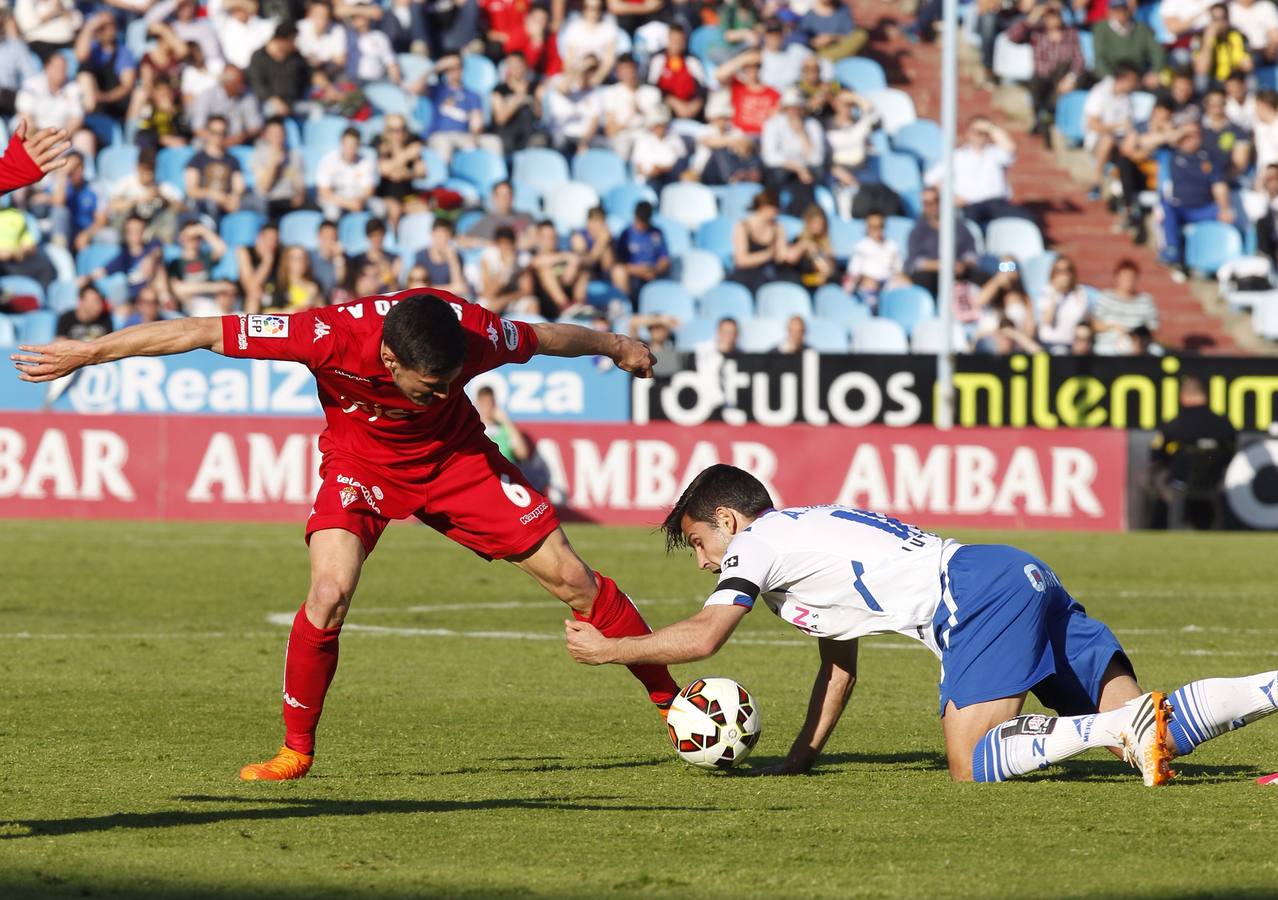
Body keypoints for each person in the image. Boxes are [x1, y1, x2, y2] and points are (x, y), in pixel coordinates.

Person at [13, 289, 682, 781]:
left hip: (456, 462)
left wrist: (618, 345)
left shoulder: (474, 334)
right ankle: (295, 751)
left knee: (572, 578)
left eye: (447, 384)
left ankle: (675, 708)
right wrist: (92, 351)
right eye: (426, 388)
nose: (434, 392)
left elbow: (546, 336)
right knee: (330, 592)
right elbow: (200, 330)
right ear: (387, 356)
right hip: (360, 466)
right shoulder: (327, 335)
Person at [564, 463, 1278, 785]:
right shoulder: (802, 546)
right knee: (1147, 738)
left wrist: (607, 651)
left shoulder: (761, 541)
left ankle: (1108, 728)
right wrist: (799, 759)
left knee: (971, 764)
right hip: (1014, 574)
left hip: (975, 595)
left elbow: (705, 636)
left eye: (697, 542)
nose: (701, 561)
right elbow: (838, 667)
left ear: (727, 520)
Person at [1150, 376, 1237, 530]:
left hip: (1180, 483)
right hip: (1213, 481)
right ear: (1205, 396)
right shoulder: (1224, 423)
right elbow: (1231, 452)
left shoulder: (1174, 423)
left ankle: (1156, 524)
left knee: (1155, 476)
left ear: (1183, 397)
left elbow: (1156, 455)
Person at [1160, 120, 1235, 275]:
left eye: (1195, 135)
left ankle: (1221, 262)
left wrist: (1224, 208)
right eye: (1188, 136)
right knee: (1167, 206)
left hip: (1203, 208)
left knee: (1229, 214)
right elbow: (1141, 145)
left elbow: (1219, 185)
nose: (1191, 139)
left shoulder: (1209, 158)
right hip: (1180, 208)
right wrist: (1181, 131)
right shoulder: (1170, 154)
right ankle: (1173, 249)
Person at [924, 117, 1022, 228]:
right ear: (968, 133)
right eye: (976, 132)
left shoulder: (995, 153)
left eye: (983, 133)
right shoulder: (957, 156)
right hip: (969, 206)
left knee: (1023, 222)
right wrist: (952, 196)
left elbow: (1010, 148)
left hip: (997, 204)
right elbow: (930, 179)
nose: (980, 136)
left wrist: (990, 127)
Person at [1007, 2, 1086, 141]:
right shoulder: (1037, 33)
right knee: (1037, 84)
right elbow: (1014, 37)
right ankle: (1042, 118)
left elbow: (1079, 60)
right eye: (1048, 16)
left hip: (1062, 78)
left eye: (1055, 15)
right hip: (1041, 78)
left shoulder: (1071, 34)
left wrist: (1071, 78)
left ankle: (1046, 119)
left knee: (1058, 90)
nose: (1052, 19)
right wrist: (1033, 17)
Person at [761, 87, 825, 215]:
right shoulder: (772, 124)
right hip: (783, 170)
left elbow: (816, 159)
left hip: (805, 171)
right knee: (778, 175)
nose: (794, 112)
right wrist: (797, 168)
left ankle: (803, 216)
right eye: (791, 108)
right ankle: (775, 211)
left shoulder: (812, 125)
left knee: (807, 180)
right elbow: (770, 157)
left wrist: (802, 134)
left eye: (798, 108)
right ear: (785, 109)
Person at [1082, 63, 1140, 202]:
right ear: (1122, 79)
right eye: (1132, 80)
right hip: (1097, 142)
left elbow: (1129, 125)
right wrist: (1117, 127)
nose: (1135, 84)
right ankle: (1096, 182)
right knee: (1108, 139)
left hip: (1121, 143)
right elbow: (1093, 124)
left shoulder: (1127, 98)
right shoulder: (1100, 92)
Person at [727, 189, 792, 293]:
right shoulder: (743, 226)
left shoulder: (778, 227)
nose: (776, 213)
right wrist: (769, 254)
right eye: (774, 209)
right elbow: (741, 260)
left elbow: (781, 256)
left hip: (768, 273)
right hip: (745, 275)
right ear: (764, 207)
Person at [1092, 258, 1160, 354]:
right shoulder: (1106, 297)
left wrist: (1137, 338)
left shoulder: (1145, 300)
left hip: (1139, 344)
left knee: (1157, 352)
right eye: (1124, 278)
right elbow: (1095, 325)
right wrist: (1114, 328)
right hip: (1109, 344)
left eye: (1131, 278)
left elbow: (1153, 329)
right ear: (1117, 277)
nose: (1128, 282)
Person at [1093, 0, 1166, 85]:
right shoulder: (1100, 29)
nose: (1120, 13)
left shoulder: (1141, 28)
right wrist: (1112, 79)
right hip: (1113, 77)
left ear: (1128, 10)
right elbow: (1099, 59)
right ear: (1109, 11)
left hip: (1138, 76)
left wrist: (1154, 72)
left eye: (1123, 9)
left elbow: (1157, 52)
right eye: (1116, 10)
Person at [372, 113, 425, 231]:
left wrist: (406, 173)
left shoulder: (411, 146)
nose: (399, 134)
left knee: (423, 210)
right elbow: (384, 169)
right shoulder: (382, 148)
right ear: (388, 132)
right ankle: (392, 242)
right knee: (394, 210)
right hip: (386, 195)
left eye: (402, 129)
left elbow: (422, 172)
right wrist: (406, 155)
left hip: (407, 196)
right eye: (395, 130)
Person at [612, 200, 670, 306]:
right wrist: (637, 270)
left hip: (652, 275)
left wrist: (655, 270)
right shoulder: (626, 234)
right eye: (639, 221)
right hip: (632, 276)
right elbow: (618, 263)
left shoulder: (657, 233)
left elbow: (664, 259)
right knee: (619, 272)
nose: (641, 225)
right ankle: (626, 306)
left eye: (644, 222)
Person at [316, 127, 379, 222]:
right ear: (341, 143)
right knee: (332, 213)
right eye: (348, 145)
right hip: (336, 198)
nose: (350, 149)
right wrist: (348, 203)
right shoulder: (327, 160)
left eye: (354, 145)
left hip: (358, 198)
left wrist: (359, 201)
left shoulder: (366, 162)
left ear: (359, 146)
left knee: (380, 208)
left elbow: (369, 190)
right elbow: (324, 192)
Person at [844, 211, 909, 302]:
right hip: (867, 284)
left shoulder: (892, 246)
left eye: (880, 226)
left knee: (905, 283)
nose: (877, 230)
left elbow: (899, 270)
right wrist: (865, 279)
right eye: (873, 227)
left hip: (888, 282)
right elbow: (853, 273)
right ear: (867, 228)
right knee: (869, 286)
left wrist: (901, 278)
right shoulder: (860, 247)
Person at [1034, 255, 1092, 353]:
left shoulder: (1079, 292)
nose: (1063, 275)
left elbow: (1082, 318)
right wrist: (1056, 293)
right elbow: (1047, 320)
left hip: (1071, 345)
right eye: (1059, 271)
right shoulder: (1047, 291)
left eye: (1067, 270)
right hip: (1049, 344)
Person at [413, 219, 470, 296]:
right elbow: (416, 286)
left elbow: (459, 288)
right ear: (432, 235)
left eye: (446, 236)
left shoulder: (457, 256)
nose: (442, 240)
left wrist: (453, 261)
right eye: (439, 236)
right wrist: (449, 289)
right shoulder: (421, 256)